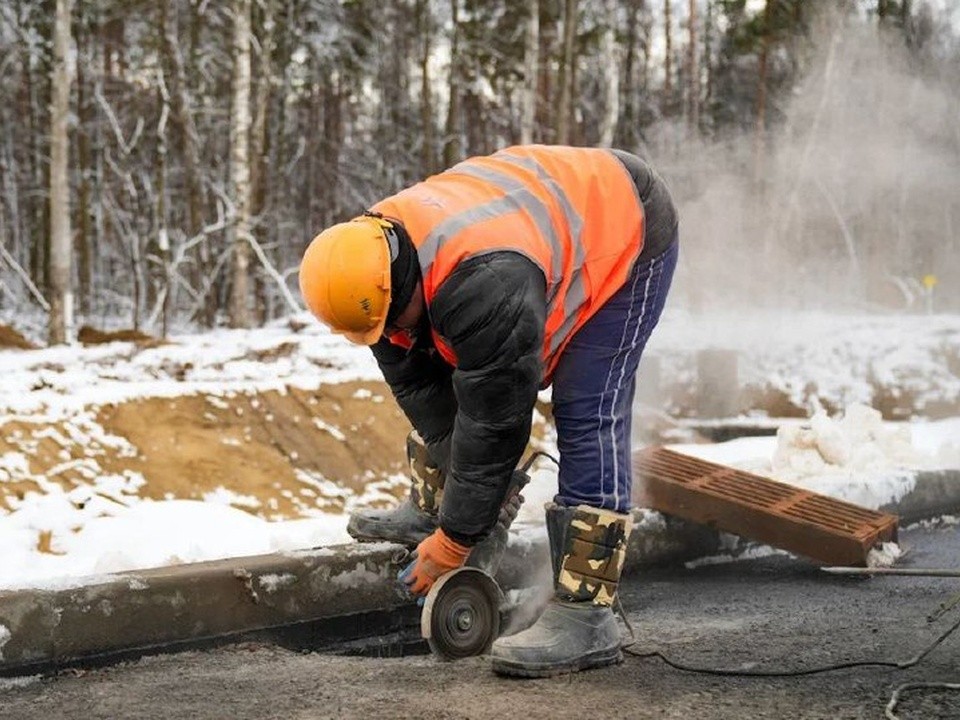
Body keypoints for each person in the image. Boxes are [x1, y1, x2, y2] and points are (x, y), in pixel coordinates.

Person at [299, 145, 678, 677]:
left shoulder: (483, 283)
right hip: (533, 230)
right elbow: (425, 393)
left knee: (585, 405)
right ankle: (438, 508)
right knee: (434, 357)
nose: (385, 340)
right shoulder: (367, 264)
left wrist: (455, 543)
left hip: (623, 227)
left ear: (399, 283)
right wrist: (466, 511)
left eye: (388, 324)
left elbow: (496, 420)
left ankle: (587, 614)